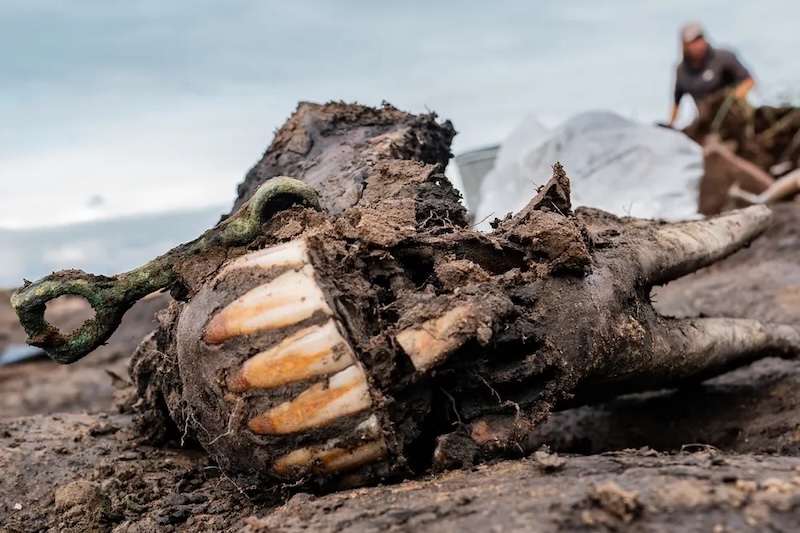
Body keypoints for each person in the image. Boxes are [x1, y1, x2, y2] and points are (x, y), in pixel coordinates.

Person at [666, 22, 755, 128]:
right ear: (684, 46)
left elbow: (749, 81)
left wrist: (732, 97)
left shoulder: (723, 58)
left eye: (700, 39)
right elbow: (676, 102)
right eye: (693, 41)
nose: (698, 44)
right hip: (706, 122)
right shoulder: (681, 71)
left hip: (735, 118)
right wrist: (670, 125)